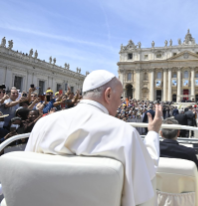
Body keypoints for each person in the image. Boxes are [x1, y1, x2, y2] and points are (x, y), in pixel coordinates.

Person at [25, 70, 163, 206]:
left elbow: (26, 175)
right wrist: (153, 133)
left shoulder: (43, 124)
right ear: (108, 94)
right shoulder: (125, 133)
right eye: (120, 96)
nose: (121, 103)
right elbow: (146, 180)